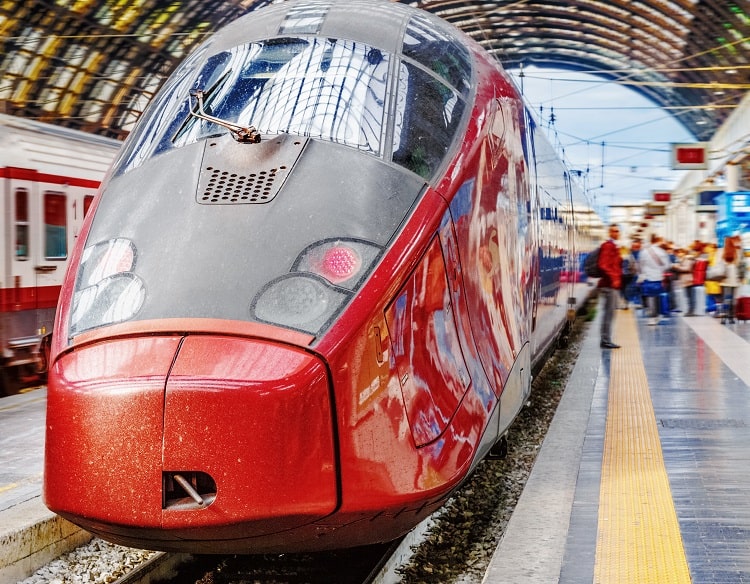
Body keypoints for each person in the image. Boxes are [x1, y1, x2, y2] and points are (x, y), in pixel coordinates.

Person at [597, 224, 622, 348]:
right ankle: (605, 340)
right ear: (610, 232)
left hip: (611, 285)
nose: (616, 233)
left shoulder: (613, 246)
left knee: (610, 312)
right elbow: (603, 264)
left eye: (618, 231)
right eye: (614, 231)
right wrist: (614, 278)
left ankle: (606, 338)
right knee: (608, 313)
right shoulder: (608, 246)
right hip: (609, 285)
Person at [639, 234, 671, 325]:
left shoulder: (644, 252)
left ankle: (652, 317)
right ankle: (657, 314)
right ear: (658, 240)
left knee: (650, 297)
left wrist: (643, 274)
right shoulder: (662, 252)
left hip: (648, 277)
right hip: (659, 277)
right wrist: (660, 271)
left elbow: (640, 265)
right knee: (659, 296)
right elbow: (667, 266)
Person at [720, 235, 742, 323]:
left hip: (724, 278)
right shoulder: (737, 252)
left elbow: (719, 264)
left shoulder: (722, 251)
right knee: (733, 299)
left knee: (725, 298)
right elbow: (739, 264)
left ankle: (723, 317)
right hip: (734, 279)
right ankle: (731, 317)